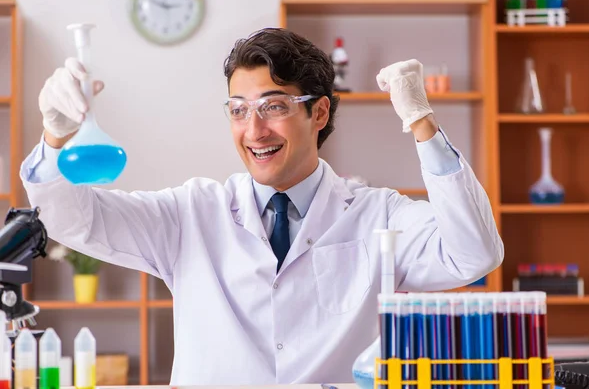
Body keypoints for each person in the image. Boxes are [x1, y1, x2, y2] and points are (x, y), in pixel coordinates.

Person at [21, 27, 503, 385]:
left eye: (273, 106)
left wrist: (421, 123)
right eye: (238, 109)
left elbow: (473, 253)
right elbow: (73, 220)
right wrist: (55, 137)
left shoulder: (379, 215)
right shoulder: (191, 214)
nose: (254, 131)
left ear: (319, 112)